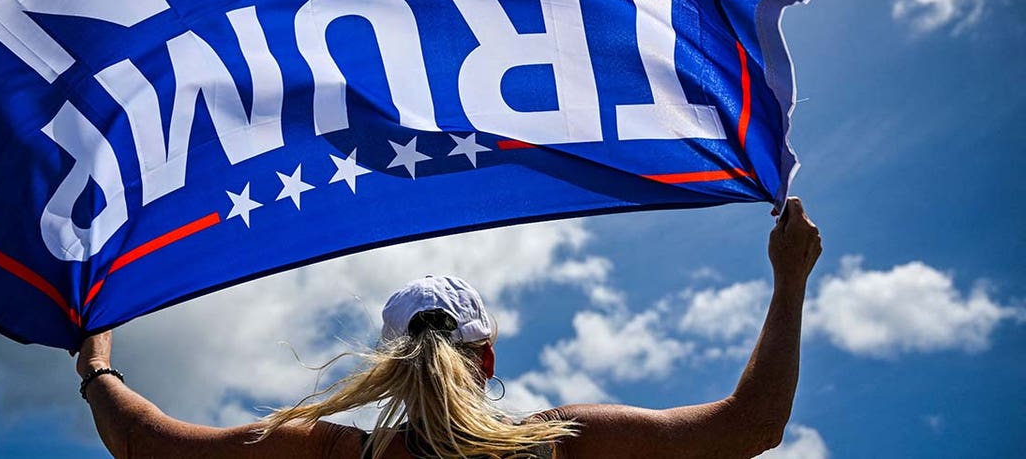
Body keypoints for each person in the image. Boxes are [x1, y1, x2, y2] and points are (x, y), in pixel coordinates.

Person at [76, 197, 822, 458]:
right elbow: (751, 426)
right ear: (487, 353)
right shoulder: (561, 444)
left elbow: (147, 444)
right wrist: (789, 281)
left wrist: (96, 358)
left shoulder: (336, 452)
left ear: (393, 364)